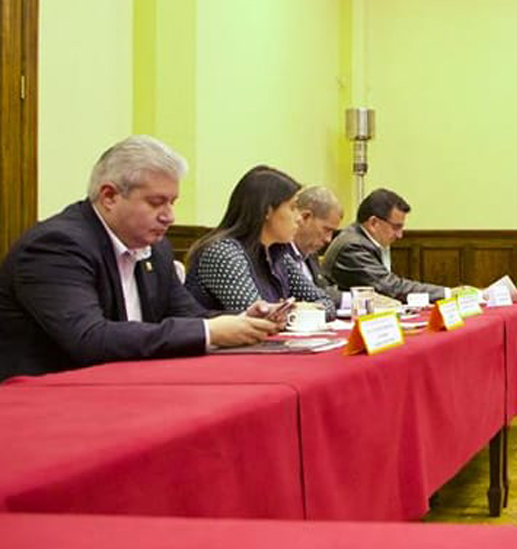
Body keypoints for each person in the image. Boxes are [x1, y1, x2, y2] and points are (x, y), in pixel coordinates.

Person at [0, 135, 281, 381]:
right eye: (156, 203)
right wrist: (211, 331)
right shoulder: (56, 246)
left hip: (126, 388)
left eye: (173, 203)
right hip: (47, 400)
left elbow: (190, 316)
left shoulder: (155, 248)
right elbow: (88, 339)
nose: (169, 217)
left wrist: (244, 320)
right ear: (109, 196)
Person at [185, 166, 336, 318]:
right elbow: (257, 316)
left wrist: (290, 310)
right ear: (267, 211)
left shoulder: (277, 252)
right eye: (292, 208)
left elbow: (327, 303)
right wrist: (298, 309)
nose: (298, 218)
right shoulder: (223, 252)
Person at [322, 188, 448, 301]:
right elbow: (391, 288)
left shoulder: (370, 241)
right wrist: (446, 293)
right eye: (396, 227)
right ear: (373, 223)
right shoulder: (352, 246)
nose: (400, 235)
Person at [290, 185, 344, 304]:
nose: (328, 239)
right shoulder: (279, 254)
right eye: (326, 230)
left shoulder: (310, 252)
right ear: (305, 217)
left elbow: (322, 291)